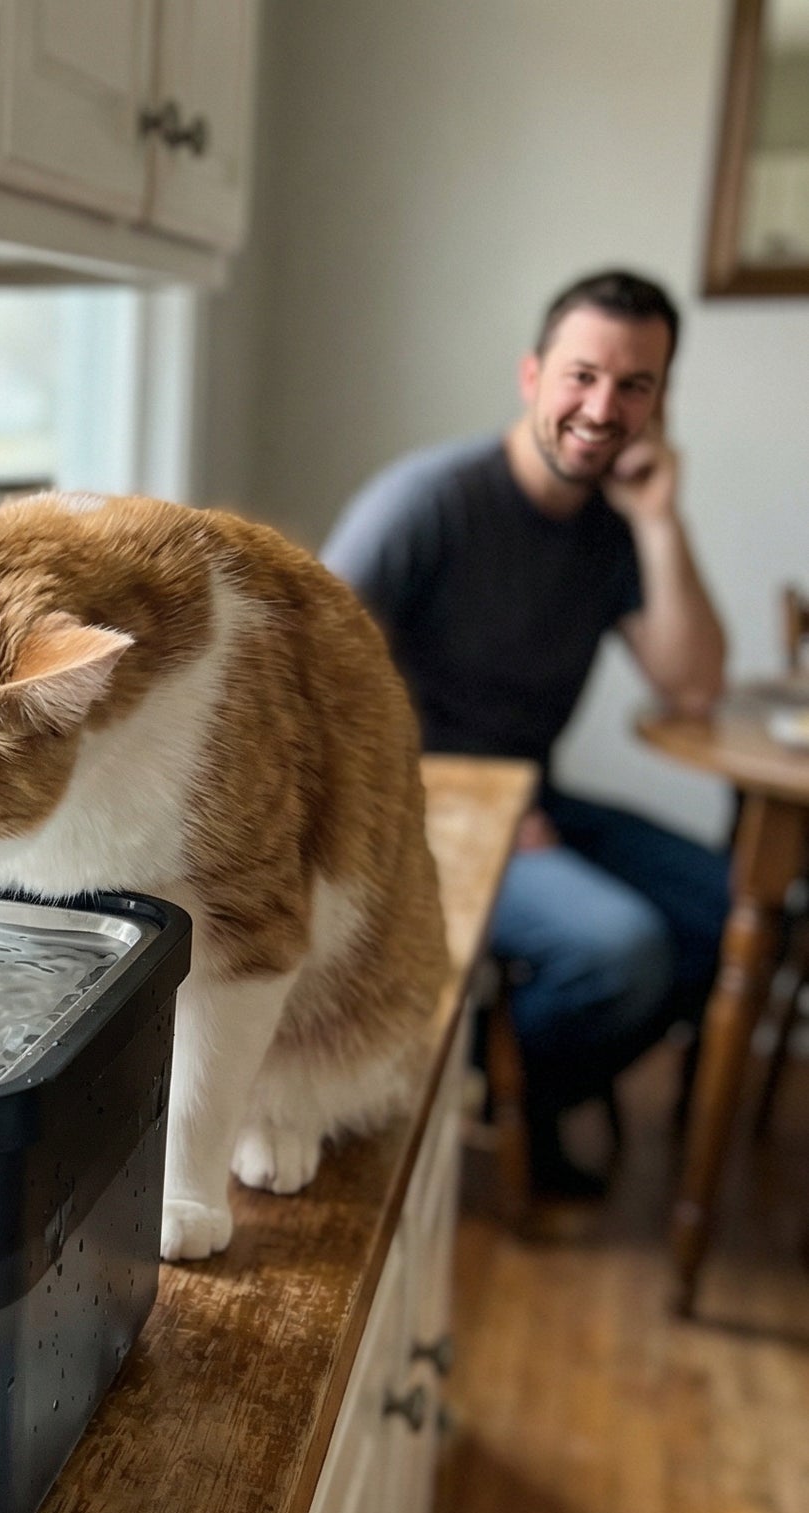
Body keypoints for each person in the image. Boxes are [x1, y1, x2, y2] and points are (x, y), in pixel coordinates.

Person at [322, 269, 730, 1197]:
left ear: (661, 402)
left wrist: (661, 521)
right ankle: (489, 1104)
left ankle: (519, 1095)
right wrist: (471, 808)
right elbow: (318, 688)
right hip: (424, 815)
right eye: (582, 376)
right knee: (619, 951)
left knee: (724, 905)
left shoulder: (617, 522)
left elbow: (695, 685)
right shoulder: (428, 502)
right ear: (532, 375)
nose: (602, 407)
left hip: (533, 799)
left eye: (636, 386)